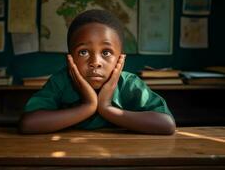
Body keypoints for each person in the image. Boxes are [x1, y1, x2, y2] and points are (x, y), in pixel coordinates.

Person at [19, 9, 176, 135]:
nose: (95, 62)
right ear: (70, 58)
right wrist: (88, 106)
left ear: (119, 58)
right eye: (83, 52)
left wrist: (107, 108)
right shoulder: (61, 81)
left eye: (106, 53)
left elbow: (167, 125)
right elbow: (28, 124)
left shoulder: (128, 84)